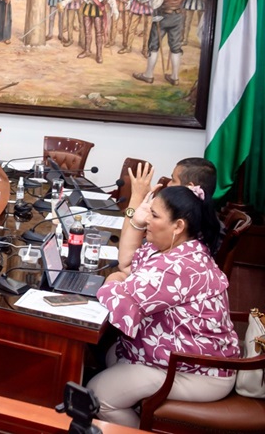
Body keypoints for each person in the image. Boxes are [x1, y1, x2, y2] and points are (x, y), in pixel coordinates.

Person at [87, 185, 238, 428]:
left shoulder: (177, 267)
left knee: (96, 396)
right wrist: (135, 225)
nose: (147, 219)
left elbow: (119, 302)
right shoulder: (179, 247)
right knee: (111, 354)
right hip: (181, 355)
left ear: (178, 226)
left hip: (199, 371)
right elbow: (128, 265)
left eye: (154, 215)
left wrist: (113, 279)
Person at [108, 156, 217, 282]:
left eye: (173, 180)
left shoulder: (182, 232)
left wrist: (137, 197)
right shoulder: (202, 218)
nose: (168, 184)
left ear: (189, 188)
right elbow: (129, 265)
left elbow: (128, 261)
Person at [133, 0, 191, 86]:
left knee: (154, 45)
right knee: (175, 47)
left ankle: (148, 75)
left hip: (162, 16)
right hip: (178, 16)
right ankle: (175, 77)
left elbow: (156, 2)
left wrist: (152, 3)